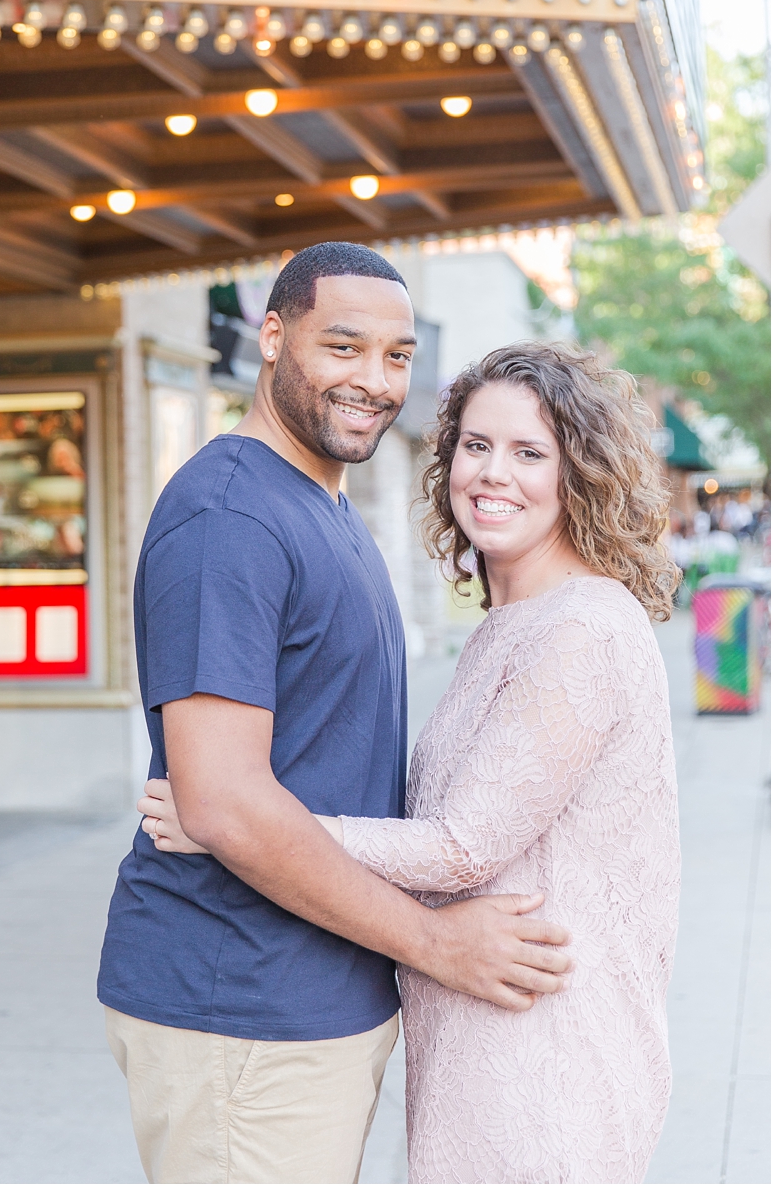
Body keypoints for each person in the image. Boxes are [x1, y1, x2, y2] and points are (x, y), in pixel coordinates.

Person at [96, 242, 574, 1185]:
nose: (374, 380)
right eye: (344, 346)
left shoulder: (322, 505)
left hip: (314, 995)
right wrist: (437, 943)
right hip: (238, 1003)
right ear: (273, 337)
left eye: (396, 356)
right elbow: (224, 803)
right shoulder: (228, 519)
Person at [144, 343, 682, 1181]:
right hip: (481, 1031)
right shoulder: (514, 623)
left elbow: (461, 844)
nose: (493, 474)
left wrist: (235, 821)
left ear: (581, 474)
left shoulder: (581, 629)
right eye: (476, 446)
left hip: (545, 1047)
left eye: (530, 453)